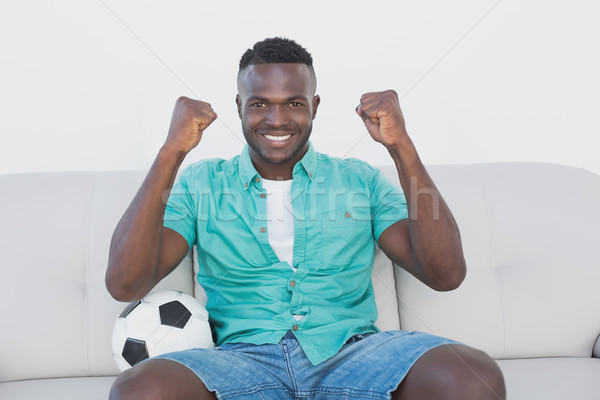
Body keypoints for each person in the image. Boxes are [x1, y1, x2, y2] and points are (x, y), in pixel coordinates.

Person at [106, 37, 506, 400]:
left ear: (314, 106)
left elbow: (446, 274)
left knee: (475, 377)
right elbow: (126, 282)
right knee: (139, 390)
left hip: (354, 354)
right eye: (259, 103)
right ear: (239, 107)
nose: (277, 120)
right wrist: (171, 151)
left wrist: (401, 146)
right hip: (240, 362)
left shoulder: (359, 180)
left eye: (294, 103)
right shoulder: (203, 183)